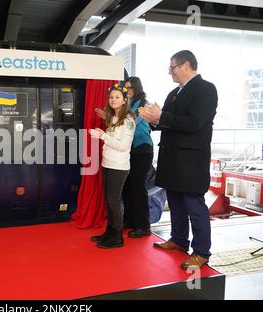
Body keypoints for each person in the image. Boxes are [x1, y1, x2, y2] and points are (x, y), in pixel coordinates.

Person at [138, 50, 218, 269]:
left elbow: (195, 123)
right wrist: (153, 120)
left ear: (186, 65)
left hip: (190, 161)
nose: (169, 71)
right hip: (172, 159)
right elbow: (170, 123)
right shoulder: (174, 92)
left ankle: (201, 252)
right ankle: (179, 239)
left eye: (172, 67)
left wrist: (162, 116)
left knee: (194, 205)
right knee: (175, 203)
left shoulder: (206, 89)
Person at [96, 77, 153, 238]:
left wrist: (110, 117)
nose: (126, 90)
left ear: (136, 88)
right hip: (128, 151)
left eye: (129, 88)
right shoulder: (122, 108)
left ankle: (143, 225)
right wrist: (107, 117)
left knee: (137, 187)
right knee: (126, 187)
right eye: (125, 88)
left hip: (141, 150)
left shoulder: (142, 104)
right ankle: (127, 220)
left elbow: (130, 122)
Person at [89, 82, 136, 249]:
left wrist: (102, 136)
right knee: (109, 201)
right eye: (111, 97)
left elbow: (123, 146)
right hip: (108, 163)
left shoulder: (128, 121)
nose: (113, 99)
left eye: (117, 97)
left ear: (125, 100)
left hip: (119, 166)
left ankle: (117, 237)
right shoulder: (114, 118)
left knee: (113, 201)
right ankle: (110, 232)